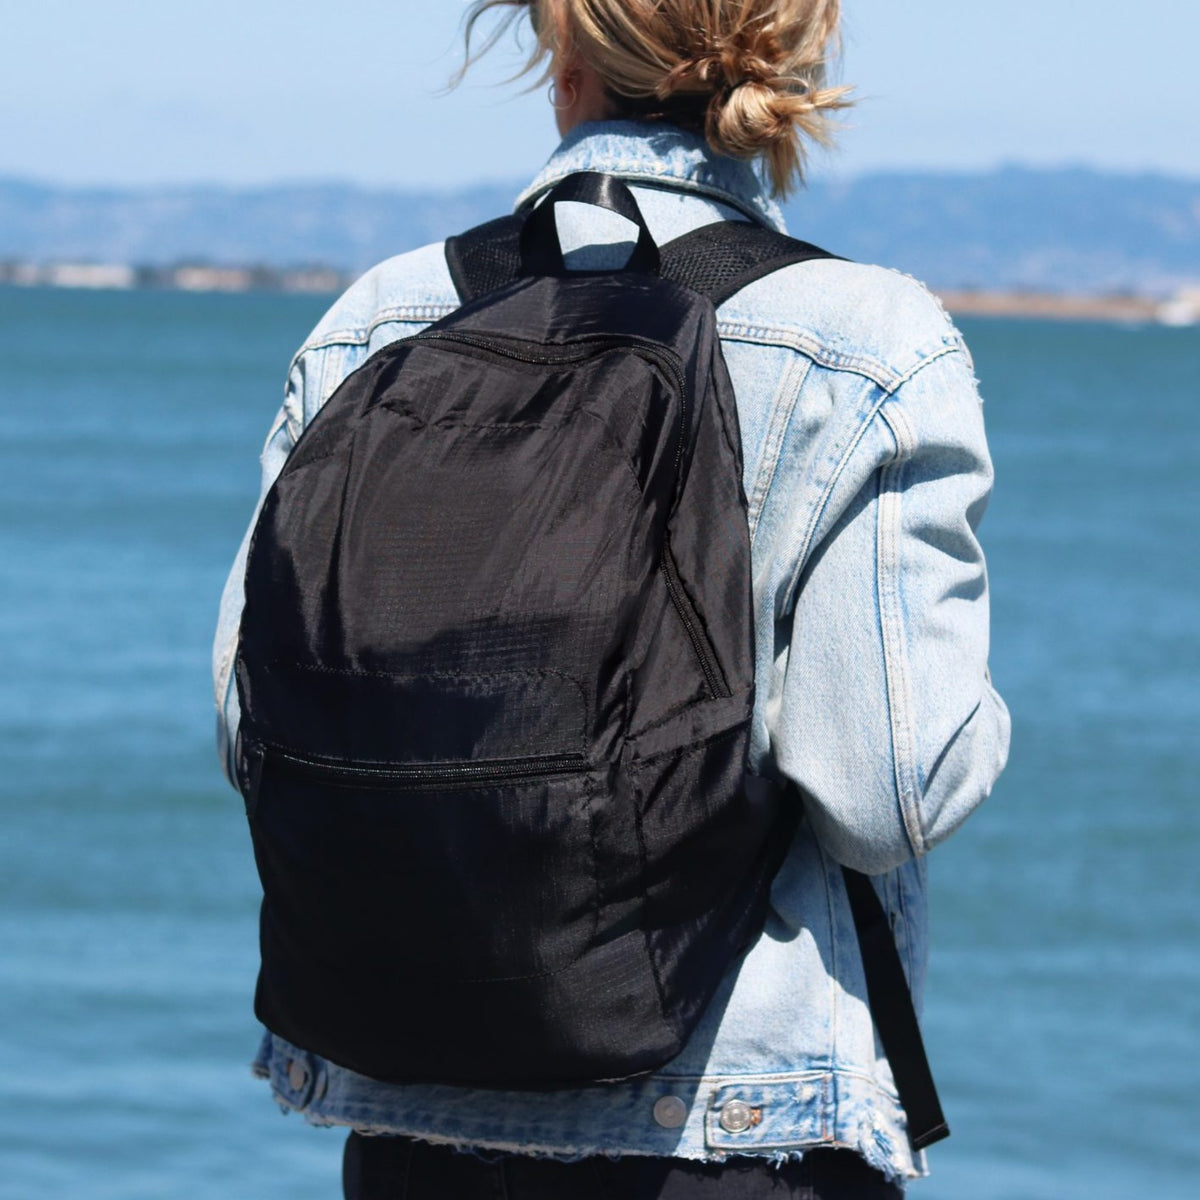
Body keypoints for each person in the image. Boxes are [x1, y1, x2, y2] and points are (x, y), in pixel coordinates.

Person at [212, 1, 1011, 1195]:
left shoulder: (378, 318)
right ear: (795, 57)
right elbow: (883, 789)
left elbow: (249, 723)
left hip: (413, 1118)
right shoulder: (865, 340)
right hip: (732, 1123)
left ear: (563, 58)